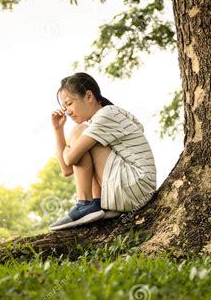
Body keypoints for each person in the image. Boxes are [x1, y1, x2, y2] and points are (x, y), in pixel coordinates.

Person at [49, 72, 157, 231]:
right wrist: (58, 129)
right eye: (64, 107)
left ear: (89, 96)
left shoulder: (107, 114)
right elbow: (66, 170)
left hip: (136, 186)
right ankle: (95, 204)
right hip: (136, 190)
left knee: (79, 131)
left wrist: (68, 151)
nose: (68, 111)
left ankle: (85, 203)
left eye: (69, 103)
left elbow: (70, 159)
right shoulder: (103, 118)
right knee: (81, 135)